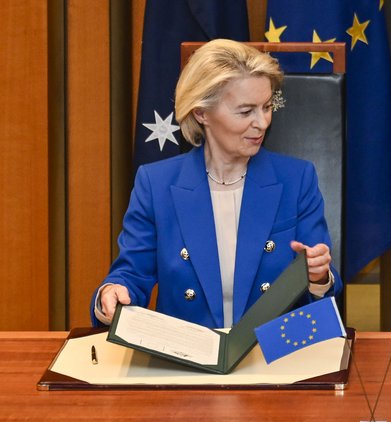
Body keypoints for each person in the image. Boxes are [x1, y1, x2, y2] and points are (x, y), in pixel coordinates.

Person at [91, 39, 342, 328]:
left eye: (267, 106)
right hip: (186, 358)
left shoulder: (297, 179)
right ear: (202, 113)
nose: (262, 122)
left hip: (273, 354)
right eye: (246, 111)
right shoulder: (156, 184)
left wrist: (319, 277)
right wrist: (112, 294)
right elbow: (131, 275)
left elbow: (323, 297)